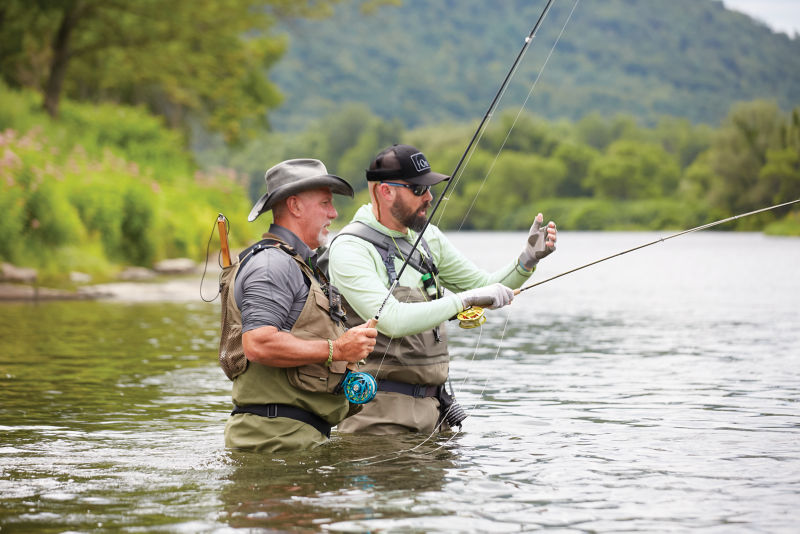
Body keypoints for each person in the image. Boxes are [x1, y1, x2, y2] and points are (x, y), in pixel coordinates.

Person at [325, 144, 557, 435]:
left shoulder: (429, 238)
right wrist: (463, 301)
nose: (429, 197)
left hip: (435, 411)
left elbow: (484, 288)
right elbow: (392, 320)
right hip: (377, 414)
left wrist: (527, 260)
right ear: (386, 191)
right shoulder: (350, 248)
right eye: (419, 189)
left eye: (430, 188)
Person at [219, 158, 378, 452]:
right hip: (275, 442)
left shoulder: (297, 264)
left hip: (292, 438)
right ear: (295, 206)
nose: (334, 213)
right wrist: (337, 350)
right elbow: (258, 344)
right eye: (325, 203)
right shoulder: (272, 265)